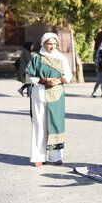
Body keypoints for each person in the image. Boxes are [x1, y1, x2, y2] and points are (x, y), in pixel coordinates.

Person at [25, 32, 72, 167]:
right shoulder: (36, 58)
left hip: (57, 94)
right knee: (40, 123)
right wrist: (43, 80)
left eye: (54, 44)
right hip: (39, 94)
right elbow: (28, 77)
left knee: (56, 123)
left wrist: (58, 80)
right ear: (43, 44)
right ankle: (38, 156)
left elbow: (68, 75)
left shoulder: (61, 57)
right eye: (49, 44)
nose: (51, 46)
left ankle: (55, 156)